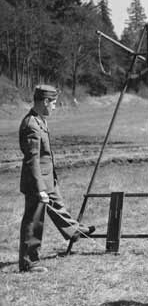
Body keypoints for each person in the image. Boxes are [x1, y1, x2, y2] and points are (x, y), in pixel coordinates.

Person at [19, 85, 95, 273]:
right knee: (34, 221)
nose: (54, 106)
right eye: (53, 103)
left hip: (47, 178)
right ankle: (29, 262)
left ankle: (73, 231)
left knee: (58, 206)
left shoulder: (40, 121)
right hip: (37, 181)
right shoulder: (31, 125)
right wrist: (40, 189)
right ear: (44, 102)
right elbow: (32, 160)